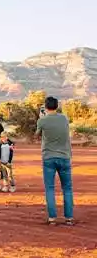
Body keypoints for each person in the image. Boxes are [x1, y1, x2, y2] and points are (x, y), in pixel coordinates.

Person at [35, 96, 74, 225]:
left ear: (45, 107)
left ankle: (52, 218)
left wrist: (41, 119)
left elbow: (36, 135)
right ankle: (69, 218)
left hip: (49, 158)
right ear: (57, 106)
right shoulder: (64, 118)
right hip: (64, 156)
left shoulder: (42, 121)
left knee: (50, 188)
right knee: (67, 188)